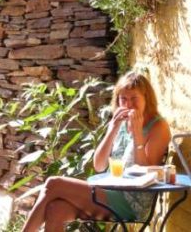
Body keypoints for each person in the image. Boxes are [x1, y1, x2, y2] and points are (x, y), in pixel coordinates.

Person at [21, 71, 171, 232]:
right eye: (123, 99)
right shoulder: (121, 123)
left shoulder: (158, 126)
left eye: (134, 98)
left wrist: (137, 135)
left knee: (54, 184)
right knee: (56, 209)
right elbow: (99, 165)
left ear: (147, 99)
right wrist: (112, 129)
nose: (128, 105)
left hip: (132, 202)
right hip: (110, 190)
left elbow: (147, 174)